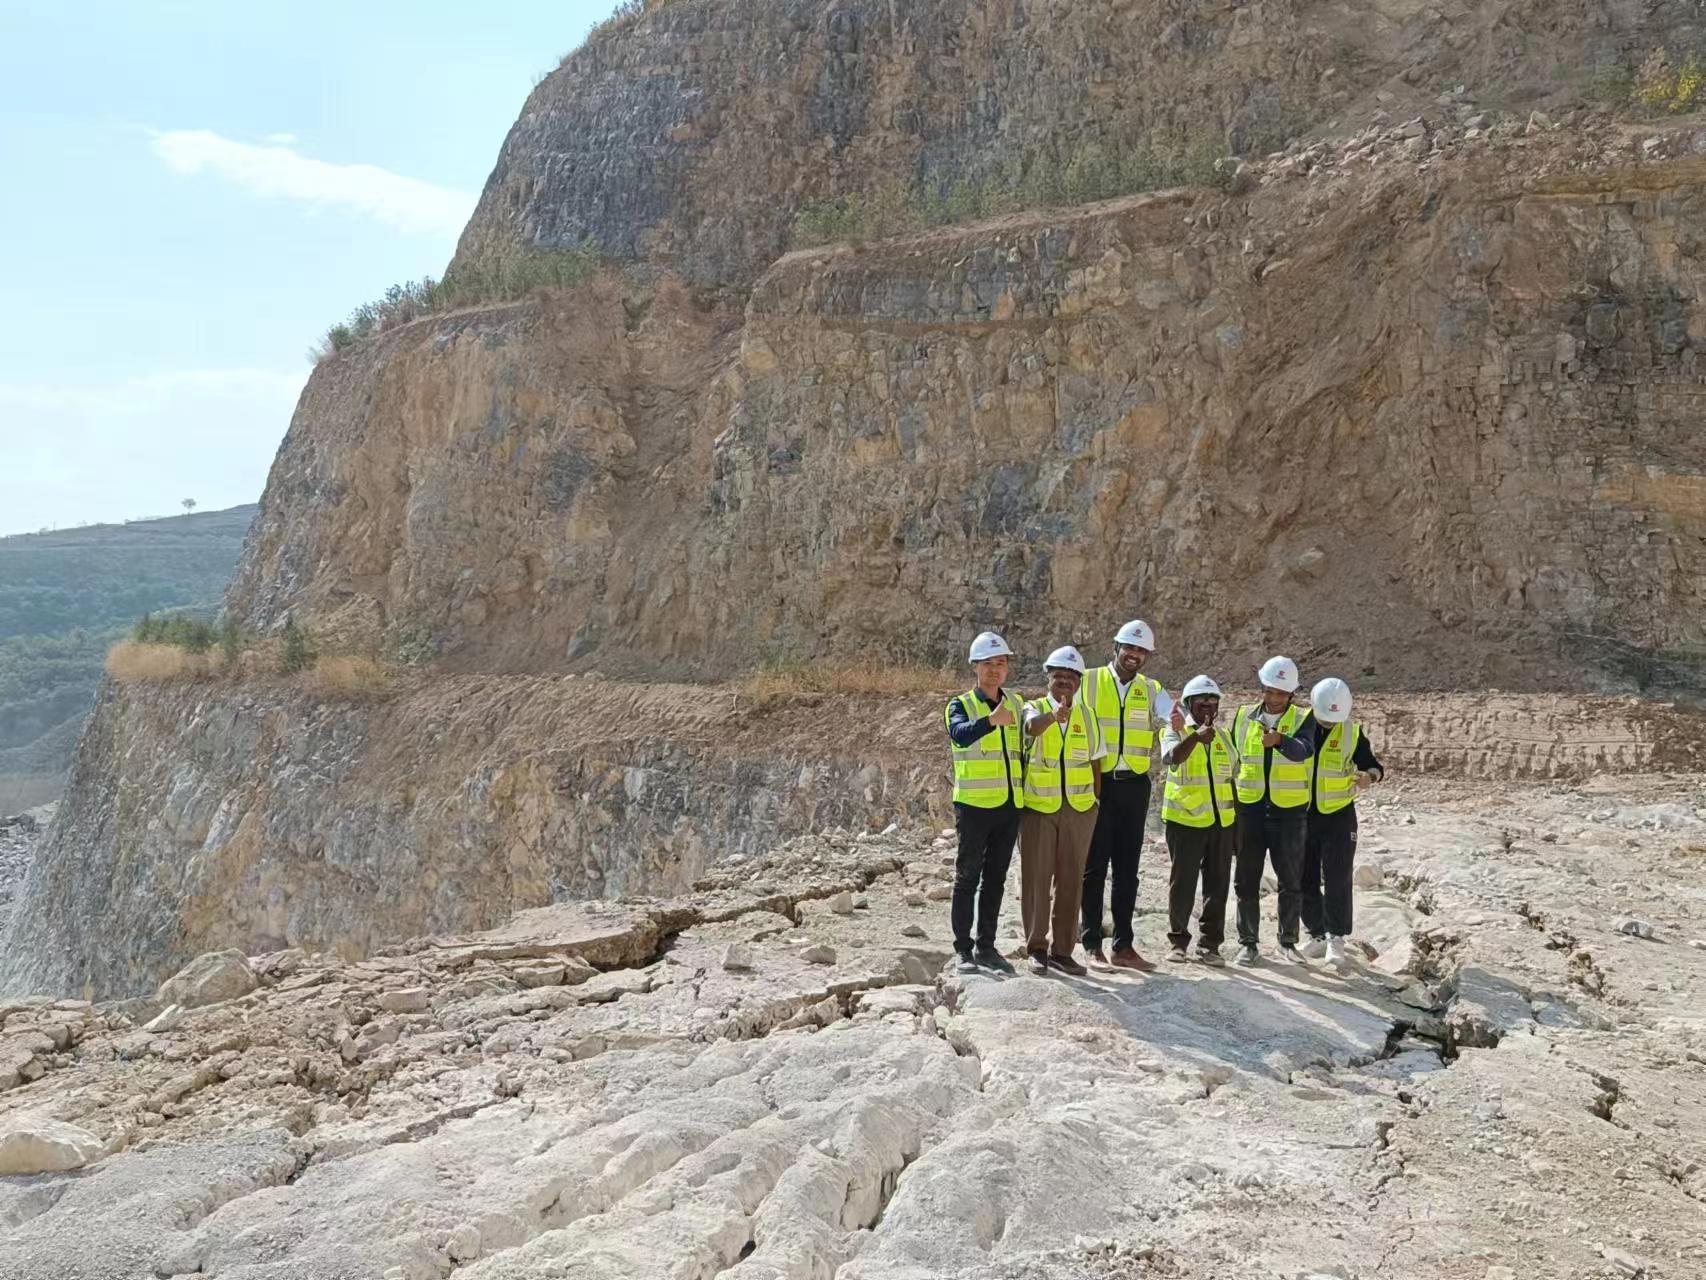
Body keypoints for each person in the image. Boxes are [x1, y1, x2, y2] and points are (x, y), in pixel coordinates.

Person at [1080, 619, 1169, 972]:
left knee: (1128, 870)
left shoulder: (1151, 689)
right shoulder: (1088, 680)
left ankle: (1124, 946)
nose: (1134, 655)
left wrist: (1180, 723)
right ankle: (1090, 944)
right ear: (1115, 648)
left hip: (1134, 785)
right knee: (1094, 868)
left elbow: (1172, 716)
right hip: (1098, 783)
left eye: (1141, 650)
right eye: (1129, 648)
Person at [943, 631, 1027, 975]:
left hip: (1009, 806)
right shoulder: (960, 704)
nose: (994, 670)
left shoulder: (1018, 704)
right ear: (975, 667)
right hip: (975, 806)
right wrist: (991, 721)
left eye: (1000, 664)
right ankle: (963, 949)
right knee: (967, 878)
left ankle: (987, 946)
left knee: (996, 878)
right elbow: (960, 736)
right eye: (988, 664)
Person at [1018, 645, 1105, 976]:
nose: (1065, 682)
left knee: (1071, 881)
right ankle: (1037, 947)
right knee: (1037, 880)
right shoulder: (1034, 708)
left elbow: (1097, 761)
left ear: (1079, 682)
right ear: (1048, 679)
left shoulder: (1088, 717)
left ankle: (1063, 951)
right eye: (1059, 676)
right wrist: (1053, 717)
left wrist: (1094, 802)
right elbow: (1030, 729)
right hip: (1039, 808)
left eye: (1071, 677)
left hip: (1079, 810)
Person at [1230, 656, 1318, 966]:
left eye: (1281, 693)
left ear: (1291, 694)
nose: (1274, 698)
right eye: (1270, 691)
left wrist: (1280, 740)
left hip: (1289, 814)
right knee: (1246, 879)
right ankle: (1248, 942)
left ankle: (1288, 941)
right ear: (1263, 688)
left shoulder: (1303, 718)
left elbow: (1304, 751)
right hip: (1250, 810)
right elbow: (1232, 761)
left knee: (1291, 880)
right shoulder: (1243, 717)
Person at [1299, 677, 1385, 967]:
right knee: (1303, 876)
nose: (1328, 725)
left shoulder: (1352, 732)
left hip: (1338, 816)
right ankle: (1317, 934)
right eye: (1324, 719)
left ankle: (1336, 938)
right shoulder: (1298, 725)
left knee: (1337, 878)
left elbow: (1374, 766)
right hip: (1302, 813)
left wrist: (1368, 777)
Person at [1159, 675, 1236, 965]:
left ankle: (1210, 945)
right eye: (1201, 701)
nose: (1207, 705)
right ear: (1189, 704)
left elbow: (1232, 780)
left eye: (1212, 701)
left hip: (1221, 823)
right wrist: (1194, 736)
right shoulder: (1173, 731)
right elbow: (1171, 759)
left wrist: (1236, 828)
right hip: (1185, 823)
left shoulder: (1225, 738)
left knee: (1217, 887)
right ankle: (1178, 942)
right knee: (1183, 884)